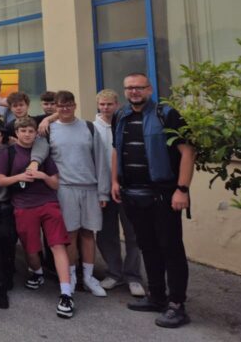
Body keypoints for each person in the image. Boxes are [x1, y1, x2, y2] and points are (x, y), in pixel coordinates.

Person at [112, 73, 194, 329]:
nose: (134, 92)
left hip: (163, 195)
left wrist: (182, 189)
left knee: (171, 249)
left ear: (149, 89)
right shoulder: (121, 115)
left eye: (139, 87)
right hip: (133, 195)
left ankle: (177, 305)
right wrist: (114, 181)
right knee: (148, 247)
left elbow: (188, 151)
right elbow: (116, 149)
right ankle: (157, 296)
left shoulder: (167, 115)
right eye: (129, 88)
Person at [0, 117, 74, 319]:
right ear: (16, 133)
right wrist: (20, 177)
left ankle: (66, 293)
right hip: (23, 205)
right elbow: (0, 180)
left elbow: (55, 183)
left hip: (48, 203)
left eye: (30, 131)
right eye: (23, 131)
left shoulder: (43, 153)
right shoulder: (8, 153)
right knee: (31, 249)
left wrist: (44, 176)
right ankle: (37, 273)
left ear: (35, 133)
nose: (27, 134)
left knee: (57, 245)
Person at [0, 116, 46, 309]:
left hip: (7, 205)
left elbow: (41, 144)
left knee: (7, 245)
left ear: (4, 134)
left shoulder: (12, 148)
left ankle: (5, 276)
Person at [47, 90, 110, 297]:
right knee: (70, 234)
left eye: (69, 105)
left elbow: (100, 160)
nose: (65, 109)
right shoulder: (49, 130)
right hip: (65, 189)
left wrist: (103, 192)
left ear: (75, 105)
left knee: (88, 233)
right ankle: (72, 275)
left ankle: (89, 277)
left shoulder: (89, 128)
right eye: (61, 105)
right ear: (56, 108)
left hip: (90, 188)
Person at [93, 89, 145, 297]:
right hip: (103, 189)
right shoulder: (92, 128)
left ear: (117, 105)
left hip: (127, 188)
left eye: (109, 104)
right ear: (98, 105)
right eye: (102, 104)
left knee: (133, 233)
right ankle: (114, 273)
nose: (106, 108)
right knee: (106, 234)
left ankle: (133, 276)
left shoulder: (125, 125)